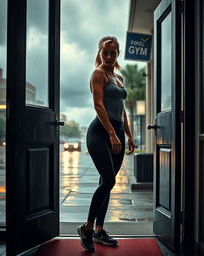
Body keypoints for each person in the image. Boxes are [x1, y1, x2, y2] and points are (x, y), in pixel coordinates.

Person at [77, 36, 135, 252]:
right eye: (105, 52)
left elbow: (122, 110)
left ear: (118, 53)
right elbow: (99, 106)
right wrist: (112, 134)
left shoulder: (118, 77)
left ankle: (100, 230)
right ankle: (87, 228)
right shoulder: (98, 74)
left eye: (113, 52)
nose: (109, 56)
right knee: (109, 179)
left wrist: (128, 135)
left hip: (117, 133)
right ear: (100, 53)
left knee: (107, 182)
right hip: (100, 133)